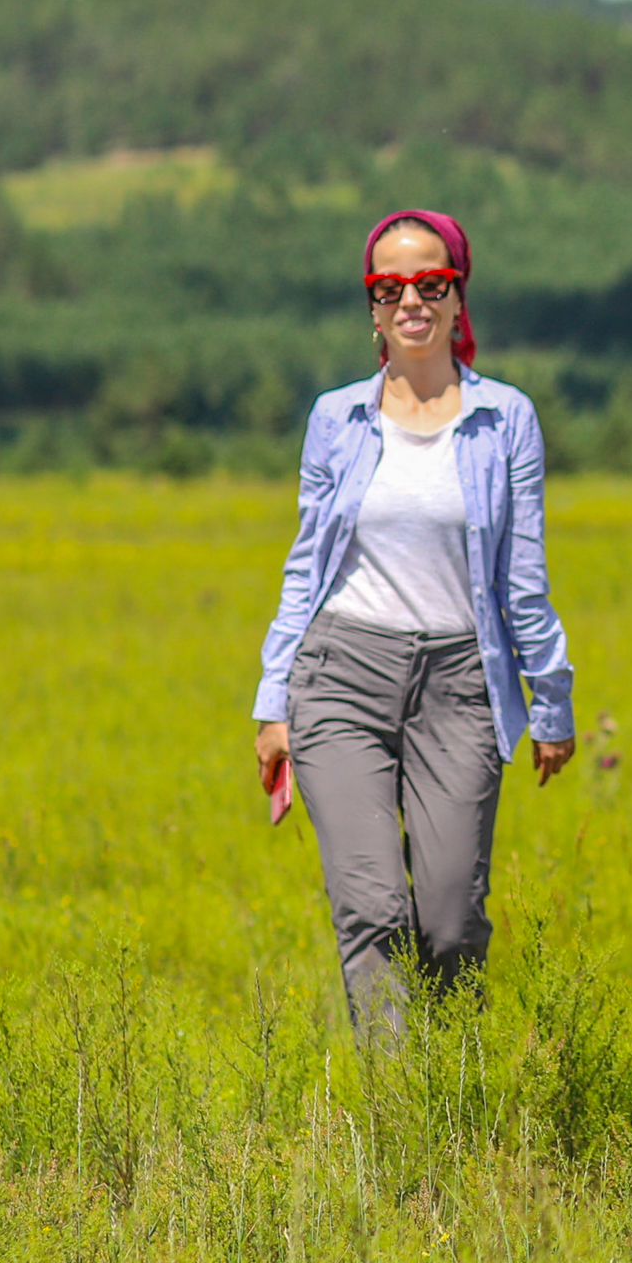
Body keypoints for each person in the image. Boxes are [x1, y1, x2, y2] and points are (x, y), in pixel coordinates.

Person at [253, 209, 575, 1035]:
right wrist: (273, 701)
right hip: (341, 673)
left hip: (461, 680)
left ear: (459, 296)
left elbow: (524, 576)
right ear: (371, 306)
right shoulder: (336, 418)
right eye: (388, 287)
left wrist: (551, 702)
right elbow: (305, 566)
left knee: (450, 920)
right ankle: (400, 1106)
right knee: (372, 908)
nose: (411, 301)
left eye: (431, 283)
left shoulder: (505, 418)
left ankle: (455, 1084)